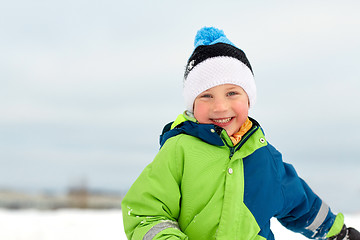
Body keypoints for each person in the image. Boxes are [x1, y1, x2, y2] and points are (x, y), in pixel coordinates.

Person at [121, 27, 360, 240]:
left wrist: (337, 233)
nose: (220, 107)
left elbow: (301, 204)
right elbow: (146, 212)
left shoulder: (266, 158)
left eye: (232, 93)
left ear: (249, 98)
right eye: (206, 95)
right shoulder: (179, 150)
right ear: (192, 105)